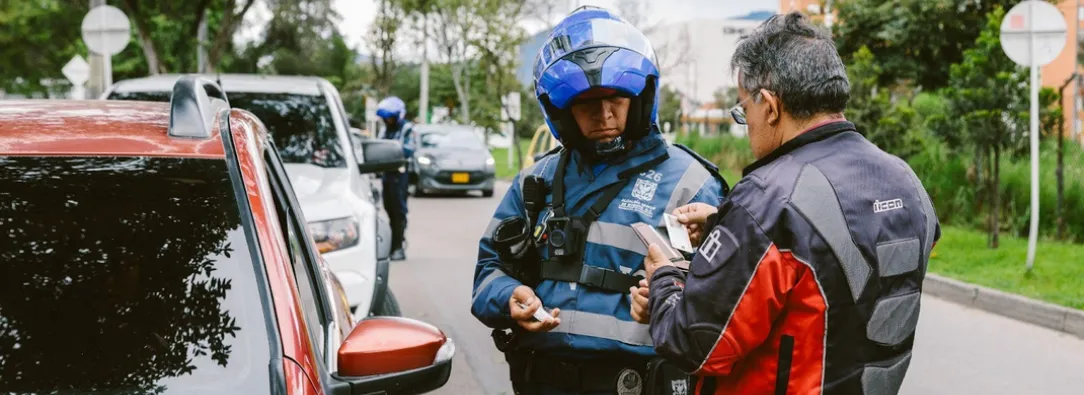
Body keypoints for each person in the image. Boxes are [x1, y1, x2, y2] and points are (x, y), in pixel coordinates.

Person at [629, 12, 941, 395]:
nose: (748, 125)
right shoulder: (906, 181)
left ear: (771, 106)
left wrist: (665, 276)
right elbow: (838, 264)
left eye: (744, 110)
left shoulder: (765, 200)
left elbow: (695, 343)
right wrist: (726, 228)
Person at [470, 6, 729, 395]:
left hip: (637, 382)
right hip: (540, 380)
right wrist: (508, 297)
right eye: (587, 103)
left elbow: (728, 300)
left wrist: (667, 297)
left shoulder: (692, 184)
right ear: (562, 110)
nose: (604, 114)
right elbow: (488, 269)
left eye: (616, 99)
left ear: (639, 98)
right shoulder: (535, 181)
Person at [376, 96, 415, 261]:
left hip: (401, 174)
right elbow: (378, 146)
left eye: (391, 117)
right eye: (386, 117)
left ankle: (398, 247)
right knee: (389, 208)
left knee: (399, 211)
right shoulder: (385, 129)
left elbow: (408, 150)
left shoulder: (407, 129)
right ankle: (393, 243)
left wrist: (391, 149)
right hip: (387, 173)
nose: (388, 120)